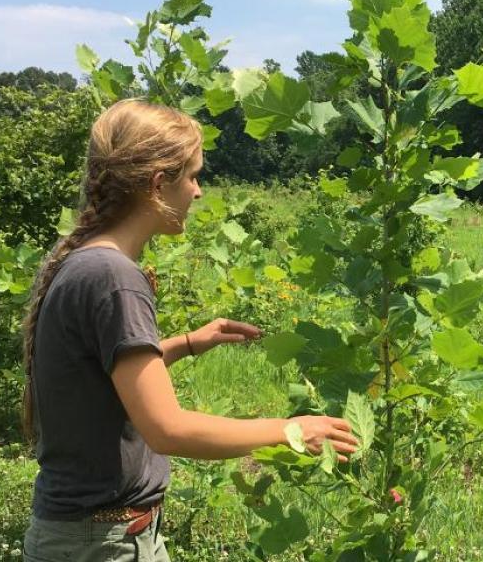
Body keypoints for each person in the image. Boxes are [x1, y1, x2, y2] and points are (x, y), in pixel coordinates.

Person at [20, 99, 358, 561]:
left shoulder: (86, 258)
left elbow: (98, 376)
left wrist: (187, 344)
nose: (197, 192)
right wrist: (290, 430)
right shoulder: (114, 276)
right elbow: (167, 429)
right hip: (100, 545)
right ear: (159, 183)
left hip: (93, 534)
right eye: (193, 176)